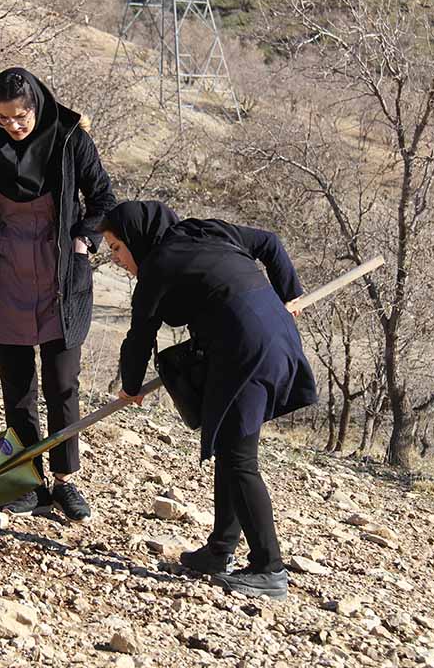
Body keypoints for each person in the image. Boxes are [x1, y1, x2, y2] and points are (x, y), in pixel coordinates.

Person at [102, 201, 318, 600]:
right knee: (230, 444)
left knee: (239, 460)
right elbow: (269, 242)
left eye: (116, 247)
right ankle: (219, 551)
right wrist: (290, 295)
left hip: (245, 350)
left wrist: (130, 386)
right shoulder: (205, 230)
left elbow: (139, 338)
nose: (114, 258)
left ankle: (269, 569)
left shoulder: (157, 269)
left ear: (135, 239)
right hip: (275, 338)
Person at [0, 68, 116, 523]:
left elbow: (102, 196)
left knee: (63, 383)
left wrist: (85, 239)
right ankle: (28, 479)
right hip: (3, 273)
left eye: (20, 116)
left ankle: (66, 481)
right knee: (17, 386)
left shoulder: (69, 135)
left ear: (37, 105)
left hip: (59, 276)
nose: (13, 126)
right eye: (4, 118)